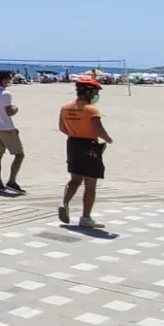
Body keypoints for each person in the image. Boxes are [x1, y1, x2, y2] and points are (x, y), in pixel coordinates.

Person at [58, 77, 114, 229]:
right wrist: (108, 139)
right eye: (95, 91)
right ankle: (86, 217)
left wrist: (75, 131)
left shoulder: (65, 107)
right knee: (90, 184)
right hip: (90, 145)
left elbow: (62, 128)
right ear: (89, 92)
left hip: (73, 143)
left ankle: (64, 202)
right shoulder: (91, 109)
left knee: (75, 178)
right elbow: (98, 129)